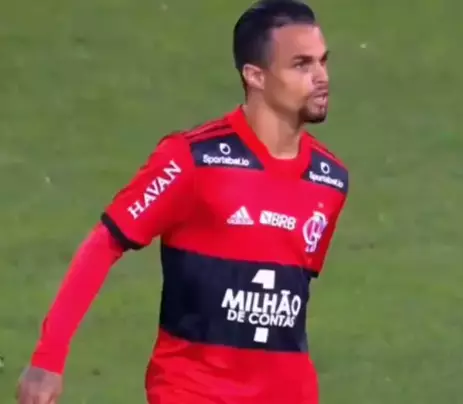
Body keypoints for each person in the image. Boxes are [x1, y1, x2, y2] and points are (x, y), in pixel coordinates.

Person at [16, 0, 349, 403]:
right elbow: (105, 243)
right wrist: (48, 358)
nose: (321, 77)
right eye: (301, 64)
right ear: (255, 76)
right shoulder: (191, 160)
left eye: (322, 61)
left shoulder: (329, 180)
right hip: (193, 391)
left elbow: (288, 299)